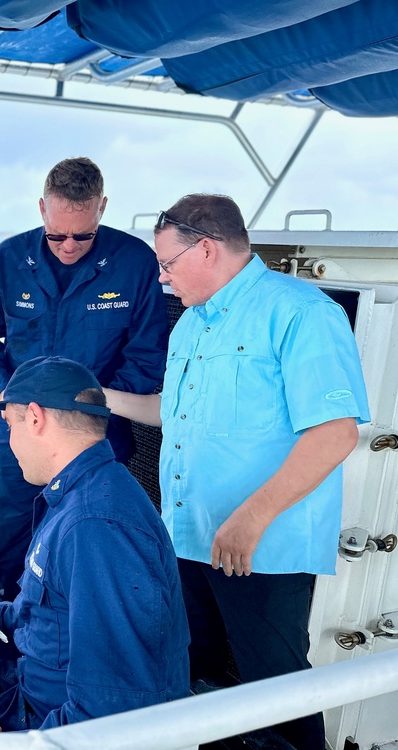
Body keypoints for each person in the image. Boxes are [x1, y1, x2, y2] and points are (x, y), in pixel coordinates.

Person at [103, 194, 370, 750]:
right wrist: (99, 397)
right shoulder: (191, 325)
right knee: (192, 672)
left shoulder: (301, 312)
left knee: (275, 687)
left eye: (167, 264)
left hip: (259, 547)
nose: (162, 277)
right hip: (188, 535)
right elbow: (171, 415)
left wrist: (251, 519)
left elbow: (334, 433)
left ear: (206, 248)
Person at [0, 355, 190, 733]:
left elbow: (114, 711)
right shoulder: (80, 494)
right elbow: (48, 618)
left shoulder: (94, 527)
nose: (9, 441)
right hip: (29, 693)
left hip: (48, 723)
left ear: (36, 419)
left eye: (9, 424)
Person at [0, 156, 168, 599]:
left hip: (96, 439)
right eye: (57, 234)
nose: (69, 245)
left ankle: (69, 650)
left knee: (85, 548)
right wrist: (5, 392)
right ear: (42, 209)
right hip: (16, 433)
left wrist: (91, 407)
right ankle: (15, 644)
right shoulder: (7, 260)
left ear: (102, 207)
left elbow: (148, 356)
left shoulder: (135, 263)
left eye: (83, 235)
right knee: (15, 541)